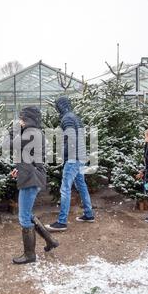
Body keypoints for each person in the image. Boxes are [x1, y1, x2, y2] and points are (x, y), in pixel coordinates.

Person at [5, 106, 59, 264]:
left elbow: (9, 144)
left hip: (31, 179)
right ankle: (50, 241)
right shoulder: (32, 132)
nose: (19, 121)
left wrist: (13, 130)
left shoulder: (31, 133)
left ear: (27, 118)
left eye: (21, 118)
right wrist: (18, 169)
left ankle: (30, 255)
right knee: (27, 214)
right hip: (30, 175)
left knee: (23, 217)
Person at [46, 97, 95, 232]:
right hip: (80, 156)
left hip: (73, 158)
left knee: (65, 188)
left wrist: (65, 154)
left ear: (60, 106)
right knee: (81, 185)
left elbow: (71, 138)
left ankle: (62, 222)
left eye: (57, 106)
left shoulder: (67, 118)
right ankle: (89, 214)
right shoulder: (75, 117)